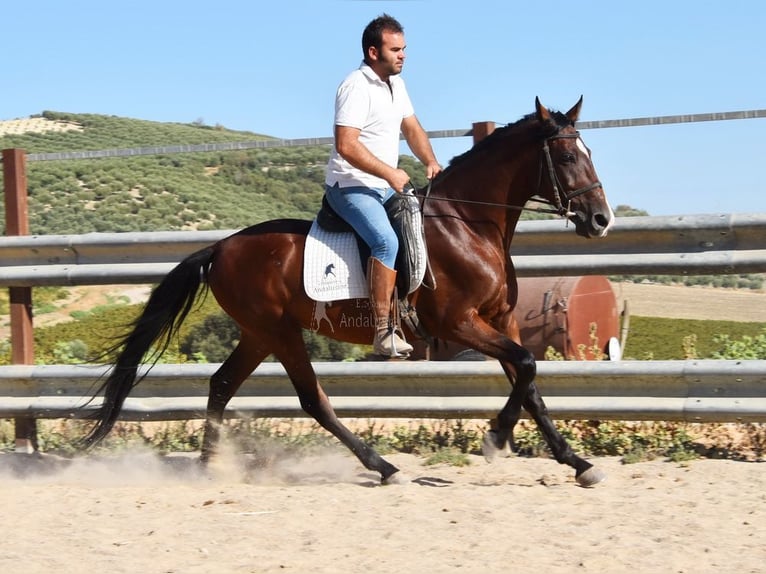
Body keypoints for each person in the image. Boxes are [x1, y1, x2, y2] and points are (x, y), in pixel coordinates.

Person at [324, 14, 442, 358]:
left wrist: (430, 161)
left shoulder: (396, 85)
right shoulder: (355, 87)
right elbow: (346, 145)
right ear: (374, 52)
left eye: (404, 49)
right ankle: (383, 331)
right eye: (396, 49)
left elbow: (412, 127)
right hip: (350, 186)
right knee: (386, 241)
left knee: (425, 228)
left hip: (383, 185)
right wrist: (390, 173)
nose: (403, 55)